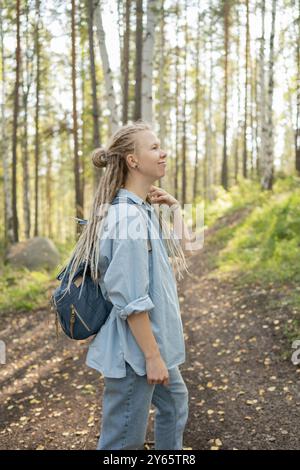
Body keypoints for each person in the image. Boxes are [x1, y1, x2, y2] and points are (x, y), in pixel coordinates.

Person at [64, 120, 194, 450]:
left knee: (175, 403)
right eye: (154, 147)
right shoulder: (126, 219)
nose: (163, 152)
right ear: (132, 161)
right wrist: (152, 358)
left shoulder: (142, 210)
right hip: (135, 354)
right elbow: (131, 299)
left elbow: (188, 247)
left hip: (154, 345)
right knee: (122, 444)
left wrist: (175, 207)